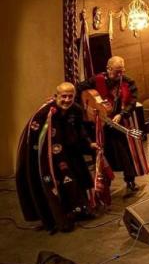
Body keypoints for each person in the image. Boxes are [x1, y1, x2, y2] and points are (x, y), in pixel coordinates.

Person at [16, 83, 96, 232]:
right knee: (53, 187)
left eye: (70, 96)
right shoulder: (43, 114)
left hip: (69, 153)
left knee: (75, 181)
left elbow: (80, 131)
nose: (67, 100)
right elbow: (33, 140)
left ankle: (80, 211)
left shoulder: (76, 110)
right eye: (63, 96)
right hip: (48, 158)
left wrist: (89, 144)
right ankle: (57, 220)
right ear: (56, 97)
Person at [77, 55, 142, 193]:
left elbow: (132, 101)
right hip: (99, 124)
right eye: (117, 71)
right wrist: (87, 108)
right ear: (108, 69)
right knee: (100, 153)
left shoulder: (128, 82)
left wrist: (121, 114)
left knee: (124, 152)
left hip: (118, 121)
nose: (120, 74)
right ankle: (103, 184)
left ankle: (130, 180)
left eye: (122, 71)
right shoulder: (97, 79)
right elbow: (78, 88)